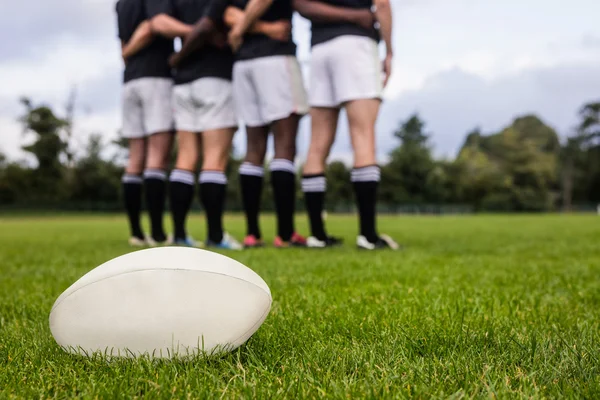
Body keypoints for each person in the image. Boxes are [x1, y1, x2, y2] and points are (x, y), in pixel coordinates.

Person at [143, 0, 292, 250]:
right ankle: (215, 235)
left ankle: (179, 234)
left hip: (183, 83)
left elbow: (160, 23)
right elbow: (210, 25)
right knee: (215, 159)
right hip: (216, 77)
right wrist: (180, 54)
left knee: (186, 158)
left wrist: (180, 55)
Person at [293, 0, 399, 250]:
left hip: (319, 50)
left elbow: (301, 4)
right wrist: (390, 51)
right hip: (356, 45)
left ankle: (317, 235)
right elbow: (381, 4)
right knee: (363, 138)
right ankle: (368, 236)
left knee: (317, 145)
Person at [223, 0, 309, 248]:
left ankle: (252, 234)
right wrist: (262, 29)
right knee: (284, 147)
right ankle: (285, 233)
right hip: (275, 59)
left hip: (243, 63)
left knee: (253, 149)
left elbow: (228, 13)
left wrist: (243, 27)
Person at [116, 0, 176, 247]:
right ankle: (158, 234)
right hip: (156, 79)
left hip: (130, 81)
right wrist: (129, 50)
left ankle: (136, 233)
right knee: (157, 158)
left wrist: (127, 53)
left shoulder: (121, 3)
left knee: (135, 159)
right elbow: (152, 27)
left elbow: (122, 41)